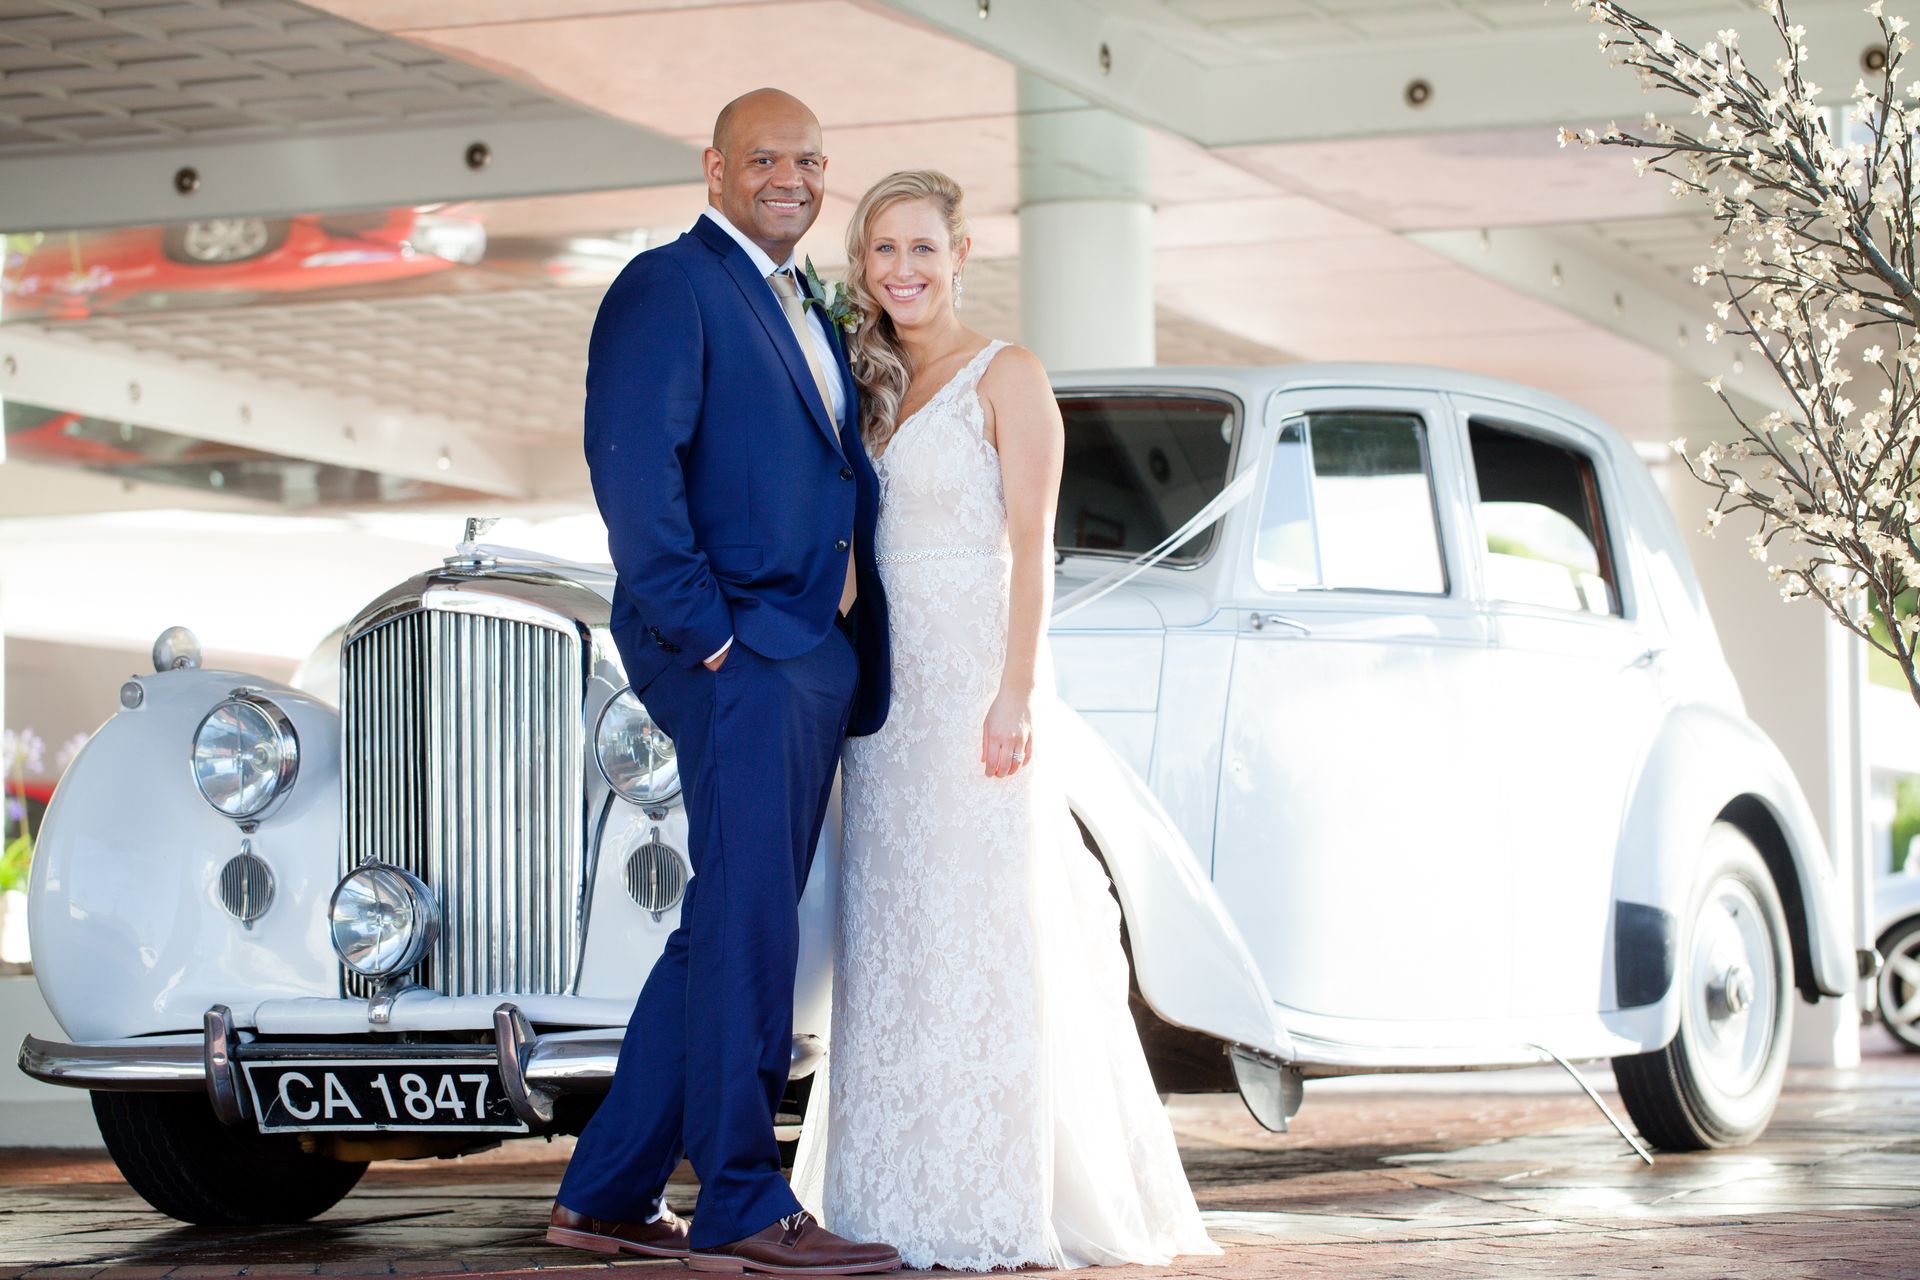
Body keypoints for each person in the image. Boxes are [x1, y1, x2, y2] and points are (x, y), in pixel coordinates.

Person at [790, 169, 1220, 1270]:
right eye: (882, 251)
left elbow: (1037, 548)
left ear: (962, 252)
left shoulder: (1007, 373)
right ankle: (888, 1190)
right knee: (891, 943)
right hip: (884, 709)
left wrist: (1016, 690)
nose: (903, 271)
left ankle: (993, 1191)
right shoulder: (866, 384)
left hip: (980, 692)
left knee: (986, 937)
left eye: (922, 248)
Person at [548, 89, 900, 1278]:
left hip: (802, 652)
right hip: (740, 651)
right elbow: (631, 467)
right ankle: (742, 1201)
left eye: (809, 156)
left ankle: (604, 1194)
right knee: (748, 922)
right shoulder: (670, 284)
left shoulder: (800, 298)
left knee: (725, 925)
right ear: (714, 169)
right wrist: (708, 637)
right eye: (765, 157)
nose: (791, 175)